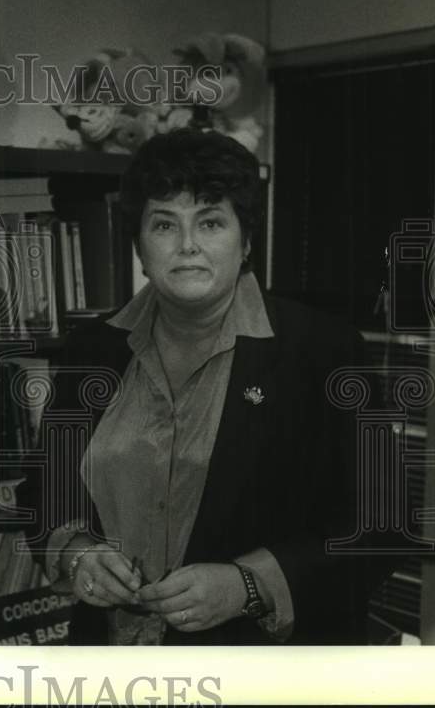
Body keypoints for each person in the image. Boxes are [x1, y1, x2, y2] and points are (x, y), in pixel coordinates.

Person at [20, 127, 395, 644]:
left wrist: (249, 584)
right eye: (164, 224)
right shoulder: (93, 349)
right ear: (139, 246)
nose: (188, 245)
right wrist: (75, 550)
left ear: (245, 241)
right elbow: (45, 491)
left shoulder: (326, 352)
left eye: (211, 221)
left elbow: (381, 529)